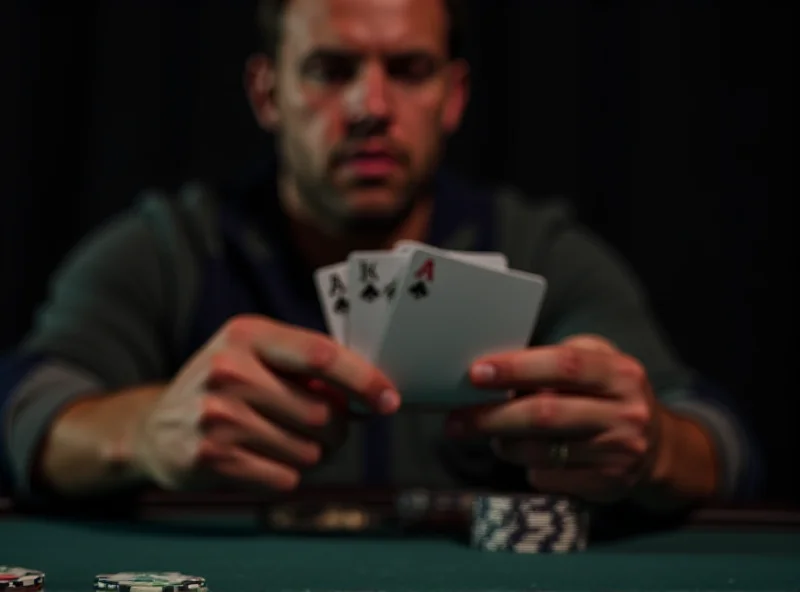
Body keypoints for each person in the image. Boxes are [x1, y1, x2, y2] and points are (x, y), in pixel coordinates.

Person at [0, 0, 759, 511]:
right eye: (331, 70)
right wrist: (139, 433)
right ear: (268, 94)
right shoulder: (173, 246)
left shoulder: (537, 253)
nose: (370, 107)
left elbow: (719, 439)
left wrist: (658, 445)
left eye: (408, 70)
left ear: (454, 96)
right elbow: (25, 405)